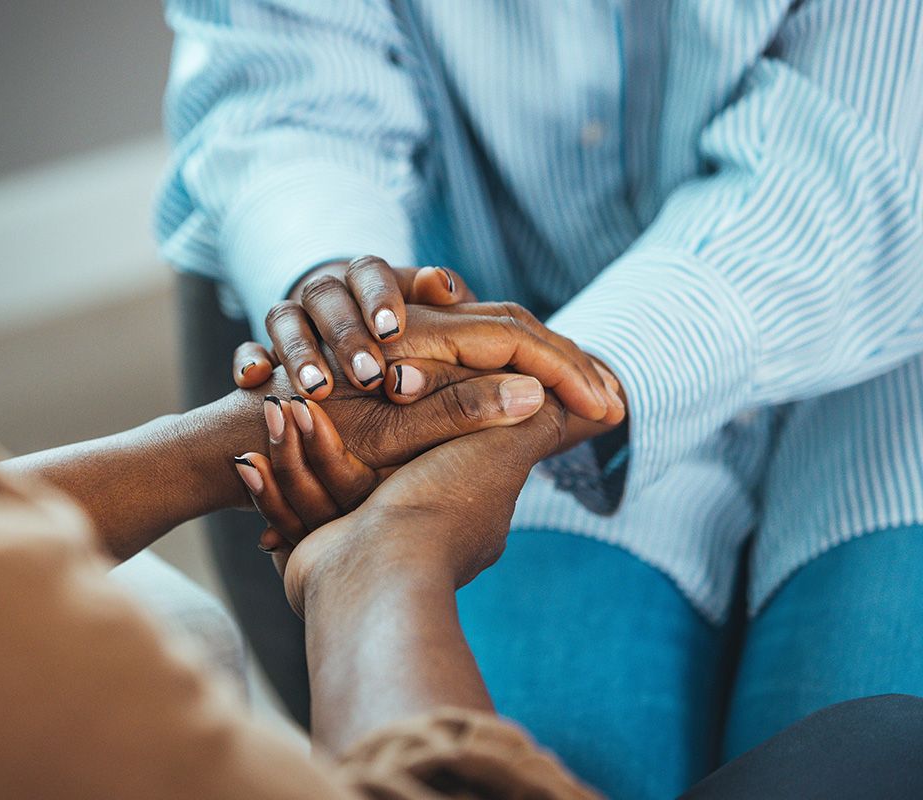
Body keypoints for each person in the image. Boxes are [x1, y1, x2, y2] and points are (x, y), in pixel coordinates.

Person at [158, 3, 923, 796]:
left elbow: (856, 156)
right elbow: (284, 95)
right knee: (549, 751)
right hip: (481, 371)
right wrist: (347, 307)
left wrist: (520, 398)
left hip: (887, 371)